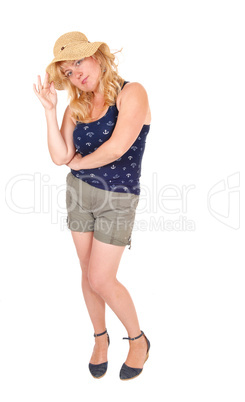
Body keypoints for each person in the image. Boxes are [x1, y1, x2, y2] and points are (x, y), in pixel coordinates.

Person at [33, 31, 151, 381]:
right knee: (87, 274)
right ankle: (101, 339)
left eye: (79, 63)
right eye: (68, 72)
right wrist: (51, 112)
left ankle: (138, 339)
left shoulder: (133, 93)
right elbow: (60, 157)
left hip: (118, 198)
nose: (76, 75)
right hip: (79, 194)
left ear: (97, 58)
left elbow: (117, 148)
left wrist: (81, 163)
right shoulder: (76, 106)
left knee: (102, 278)